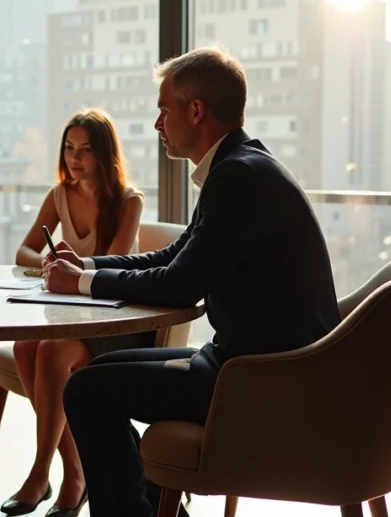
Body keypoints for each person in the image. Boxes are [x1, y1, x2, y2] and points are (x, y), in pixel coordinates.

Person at [45, 47, 342, 517]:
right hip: (253, 362)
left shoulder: (238, 177)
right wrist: (87, 269)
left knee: (85, 392)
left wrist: (81, 285)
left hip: (259, 378)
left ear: (195, 110)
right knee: (91, 376)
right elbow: (174, 255)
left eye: (164, 110)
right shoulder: (241, 165)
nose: (158, 124)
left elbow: (180, 284)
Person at [4, 108, 145, 517]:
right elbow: (24, 251)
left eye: (85, 149)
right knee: (25, 347)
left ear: (104, 154)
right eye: (69, 148)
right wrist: (49, 263)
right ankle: (75, 473)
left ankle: (40, 471)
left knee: (48, 351)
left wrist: (77, 268)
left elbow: (117, 263)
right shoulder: (59, 195)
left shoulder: (128, 200)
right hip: (69, 313)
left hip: (116, 320)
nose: (74, 158)